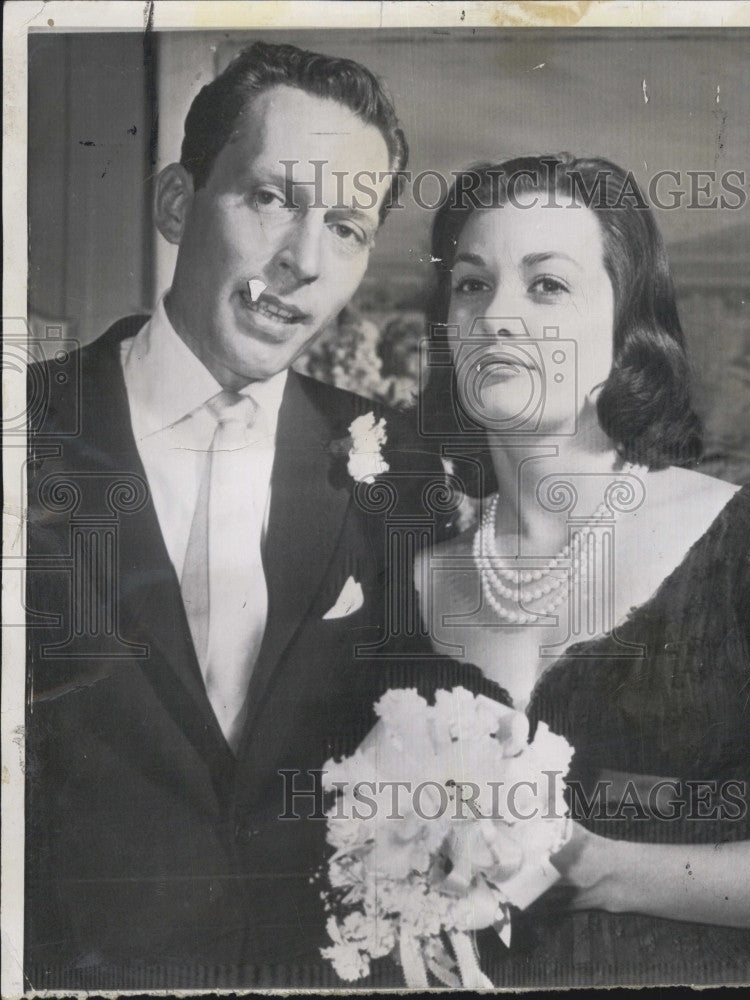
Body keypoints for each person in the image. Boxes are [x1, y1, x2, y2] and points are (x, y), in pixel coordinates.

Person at [25, 40, 442, 989]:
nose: (303, 261)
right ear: (179, 203)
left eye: (346, 226)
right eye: (271, 200)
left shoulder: (396, 466)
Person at [414, 154, 750, 985]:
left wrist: (604, 869)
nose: (497, 319)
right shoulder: (408, 574)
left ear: (626, 326)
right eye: (470, 285)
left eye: (546, 286)